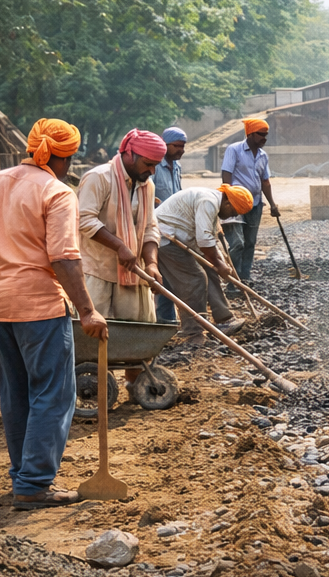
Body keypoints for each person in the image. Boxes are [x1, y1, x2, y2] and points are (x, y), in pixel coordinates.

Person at [0, 118, 107, 510]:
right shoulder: (56, 193)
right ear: (66, 157)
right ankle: (35, 484)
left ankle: (23, 477)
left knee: (15, 393)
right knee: (53, 395)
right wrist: (88, 310)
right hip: (38, 307)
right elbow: (64, 257)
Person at [77, 129, 165, 385]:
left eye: (155, 165)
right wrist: (119, 246)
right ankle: (94, 384)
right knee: (94, 335)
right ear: (129, 154)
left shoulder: (146, 185)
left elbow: (150, 226)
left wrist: (151, 263)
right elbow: (85, 220)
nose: (152, 171)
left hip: (133, 271)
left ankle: (135, 382)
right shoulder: (99, 178)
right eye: (148, 164)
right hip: (98, 270)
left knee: (138, 333)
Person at [155, 184, 253, 342]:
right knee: (195, 280)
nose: (229, 217)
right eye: (233, 212)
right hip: (165, 237)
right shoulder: (208, 201)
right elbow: (204, 239)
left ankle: (224, 319)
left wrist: (221, 264)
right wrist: (219, 263)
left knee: (211, 270)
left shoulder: (213, 203)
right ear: (228, 203)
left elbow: (210, 240)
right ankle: (194, 332)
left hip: (182, 236)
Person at [221, 118, 280, 282]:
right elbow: (226, 174)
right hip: (235, 205)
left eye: (266, 135)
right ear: (250, 134)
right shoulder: (234, 150)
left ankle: (245, 277)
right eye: (261, 135)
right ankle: (233, 280)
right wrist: (228, 197)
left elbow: (265, 181)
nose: (264, 138)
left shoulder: (263, 156)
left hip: (255, 204)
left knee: (250, 242)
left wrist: (273, 205)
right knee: (237, 243)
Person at [151, 127, 186, 324]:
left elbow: (179, 195)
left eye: (183, 147)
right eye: (177, 146)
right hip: (158, 227)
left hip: (174, 229)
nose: (181, 150)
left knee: (170, 274)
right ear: (165, 145)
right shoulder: (154, 167)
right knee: (164, 273)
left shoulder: (178, 168)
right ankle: (165, 317)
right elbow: (149, 196)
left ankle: (167, 317)